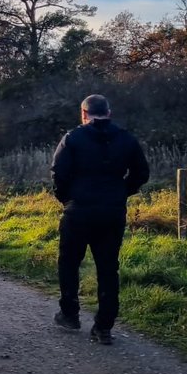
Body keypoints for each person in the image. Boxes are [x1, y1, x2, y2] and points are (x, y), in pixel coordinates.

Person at [49, 94, 150, 345]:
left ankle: (70, 314)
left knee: (69, 263)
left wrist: (67, 199)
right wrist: (122, 191)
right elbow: (142, 173)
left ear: (84, 114)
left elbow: (58, 173)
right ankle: (103, 327)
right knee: (108, 268)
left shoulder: (72, 139)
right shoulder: (126, 139)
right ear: (109, 112)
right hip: (112, 212)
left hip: (79, 211)